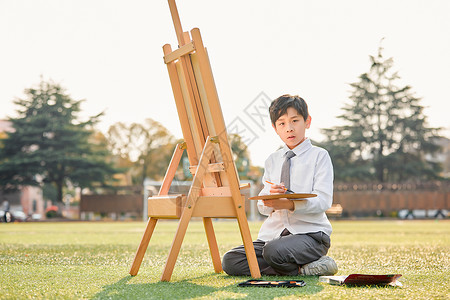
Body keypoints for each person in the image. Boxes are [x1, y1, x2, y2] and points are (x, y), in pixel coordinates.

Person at [222, 94, 338, 276]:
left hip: (310, 235)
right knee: (231, 261)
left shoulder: (319, 156)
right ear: (275, 128)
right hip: (273, 235)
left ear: (307, 122)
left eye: (295, 121)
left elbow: (323, 201)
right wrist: (270, 196)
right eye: (282, 123)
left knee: (274, 251)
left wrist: (290, 204)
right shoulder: (272, 160)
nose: (289, 129)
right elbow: (262, 207)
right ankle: (303, 268)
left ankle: (305, 266)